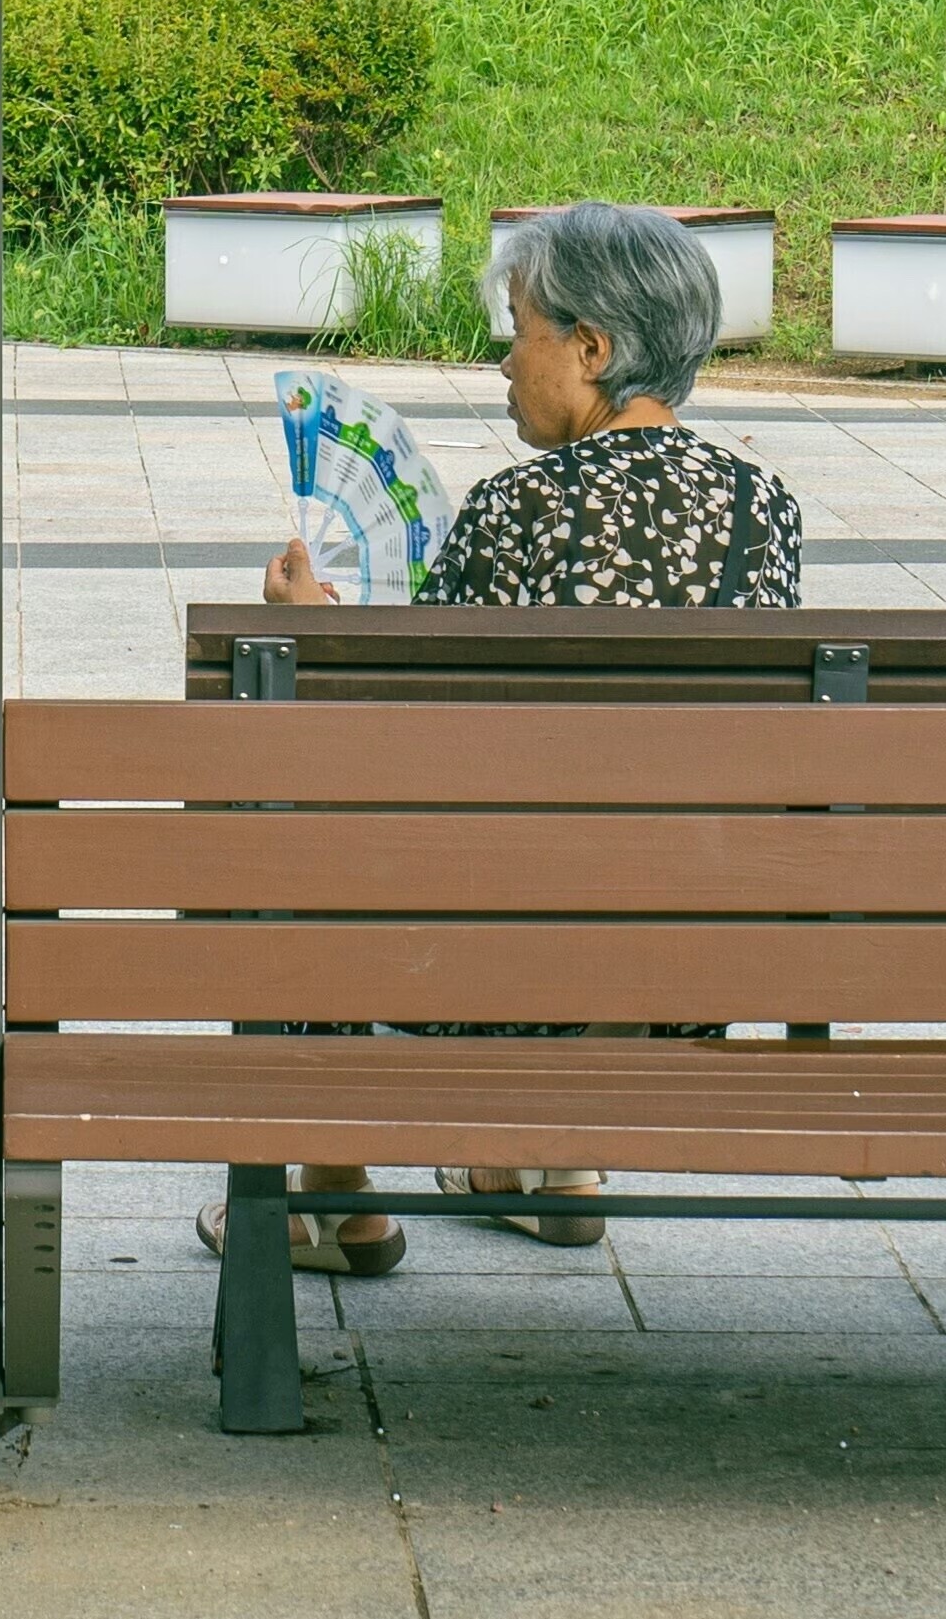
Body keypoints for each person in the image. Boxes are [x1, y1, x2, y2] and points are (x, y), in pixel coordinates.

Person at [223, 200, 806, 1277]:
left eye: (522, 328)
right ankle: (552, 1161)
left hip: (510, 970)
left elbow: (406, 742)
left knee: (297, 821)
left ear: (591, 350)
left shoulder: (515, 508)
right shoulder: (761, 503)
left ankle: (330, 1197)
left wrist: (312, 636)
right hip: (694, 972)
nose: (504, 357)